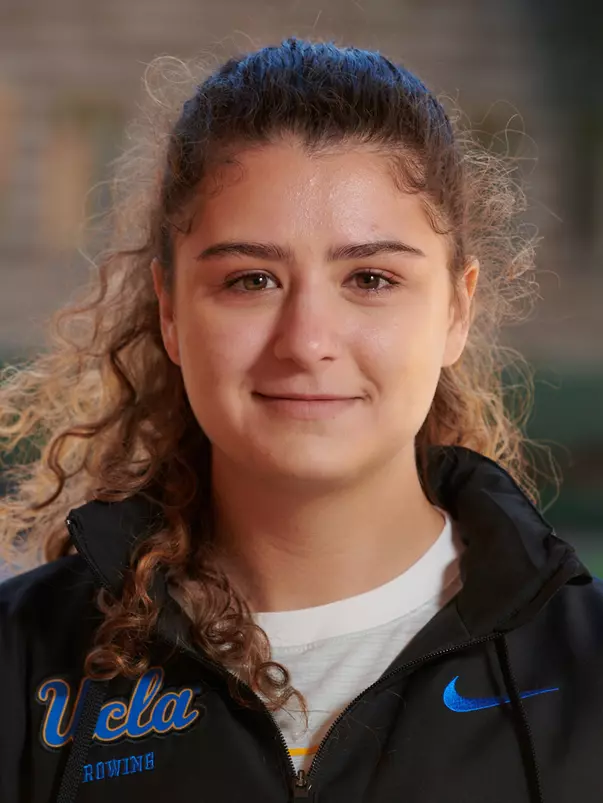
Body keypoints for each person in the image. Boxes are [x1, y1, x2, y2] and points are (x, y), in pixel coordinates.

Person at [0, 36, 600, 803]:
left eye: (370, 278)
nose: (307, 340)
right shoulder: (23, 664)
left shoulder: (587, 669)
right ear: (170, 310)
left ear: (457, 308)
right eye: (250, 279)